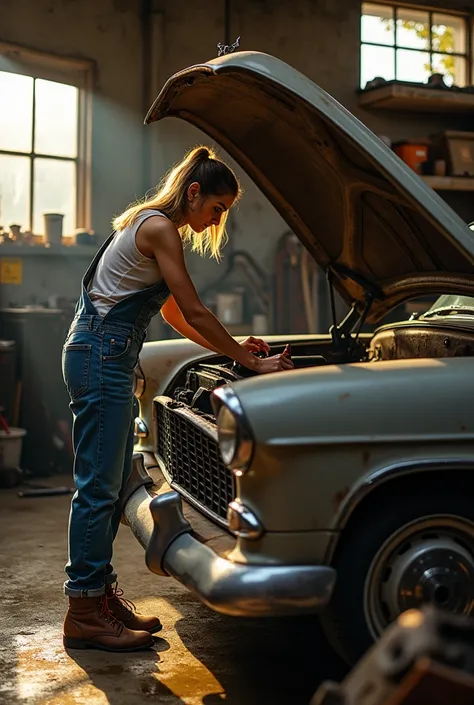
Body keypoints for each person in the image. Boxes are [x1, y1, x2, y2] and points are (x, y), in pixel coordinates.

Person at [61, 146, 294, 653]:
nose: (217, 220)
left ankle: (99, 598)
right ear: (193, 193)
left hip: (102, 354)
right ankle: (83, 610)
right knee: (99, 489)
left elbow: (176, 317)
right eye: (217, 208)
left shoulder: (149, 226)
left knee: (114, 481)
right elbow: (192, 306)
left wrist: (235, 348)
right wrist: (250, 362)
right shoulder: (159, 228)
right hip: (101, 356)